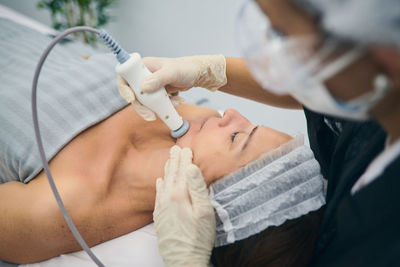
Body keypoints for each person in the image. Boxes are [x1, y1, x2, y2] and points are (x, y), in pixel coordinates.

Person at [0, 18, 302, 264]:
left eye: (237, 137)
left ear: (207, 201)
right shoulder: (199, 115)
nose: (231, 113)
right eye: (252, 124)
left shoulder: (59, 213)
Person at [140, 0, 400, 266]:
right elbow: (329, 86)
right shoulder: (370, 120)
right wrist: (209, 71)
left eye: (283, 35)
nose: (229, 112)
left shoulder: (377, 247)